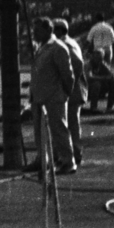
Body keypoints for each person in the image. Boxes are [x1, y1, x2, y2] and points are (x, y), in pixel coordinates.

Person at [28, 17, 76, 175]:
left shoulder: (58, 48)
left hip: (54, 97)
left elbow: (68, 75)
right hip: (39, 97)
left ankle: (68, 162)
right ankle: (43, 160)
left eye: (37, 31)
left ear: (48, 30)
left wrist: (64, 94)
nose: (34, 34)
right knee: (39, 132)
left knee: (59, 131)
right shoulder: (42, 47)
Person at [53, 18, 88, 167]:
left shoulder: (65, 44)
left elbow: (77, 64)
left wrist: (66, 82)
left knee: (69, 124)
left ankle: (72, 155)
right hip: (74, 89)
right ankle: (70, 154)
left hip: (71, 90)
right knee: (70, 124)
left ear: (59, 30)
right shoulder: (70, 42)